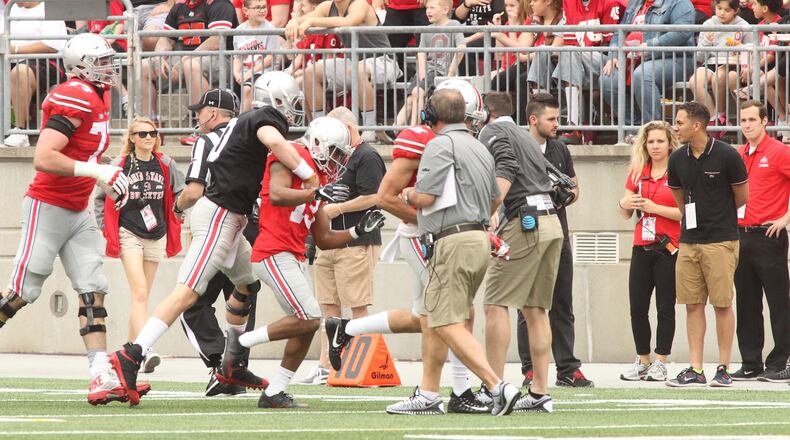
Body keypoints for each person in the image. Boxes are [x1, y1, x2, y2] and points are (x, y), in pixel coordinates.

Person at [107, 78, 330, 407]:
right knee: (188, 291)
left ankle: (232, 362)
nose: (296, 107)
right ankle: (131, 355)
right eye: (293, 100)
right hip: (220, 215)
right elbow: (275, 142)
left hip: (231, 218)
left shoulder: (243, 122)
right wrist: (308, 175)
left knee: (247, 285)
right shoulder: (263, 119)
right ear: (278, 99)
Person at [325, 80, 491, 415]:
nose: (471, 125)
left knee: (425, 316)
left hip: (444, 235)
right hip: (421, 236)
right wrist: (429, 222)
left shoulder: (458, 142)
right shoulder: (420, 139)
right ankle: (454, 392)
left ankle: (345, 328)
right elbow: (385, 197)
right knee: (449, 315)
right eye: (467, 117)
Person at [0, 34, 135, 405]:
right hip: (48, 205)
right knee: (21, 293)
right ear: (79, 65)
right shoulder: (74, 94)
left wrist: (103, 176)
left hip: (77, 209)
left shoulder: (100, 95)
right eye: (101, 62)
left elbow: (84, 154)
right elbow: (44, 156)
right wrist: (98, 172)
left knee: (93, 287)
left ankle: (98, 373)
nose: (109, 68)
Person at [234, 117, 385, 408]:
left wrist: (357, 230)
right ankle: (240, 344)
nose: (339, 160)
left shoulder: (321, 177)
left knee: (306, 325)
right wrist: (315, 192)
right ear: (318, 143)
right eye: (337, 152)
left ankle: (274, 391)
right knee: (311, 317)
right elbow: (277, 195)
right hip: (272, 251)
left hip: (293, 254)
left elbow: (324, 237)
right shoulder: (293, 156)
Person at [390, 88, 521, 416]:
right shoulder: (479, 146)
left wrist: (408, 194)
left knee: (446, 321)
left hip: (453, 240)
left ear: (429, 116)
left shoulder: (439, 144)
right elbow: (495, 198)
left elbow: (427, 196)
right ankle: (429, 393)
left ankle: (497, 386)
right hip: (478, 238)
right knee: (440, 317)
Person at [480, 92, 564, 413]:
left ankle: (494, 385)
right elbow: (559, 183)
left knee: (495, 303)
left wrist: (488, 210)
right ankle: (540, 391)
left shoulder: (493, 132)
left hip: (524, 221)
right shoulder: (524, 135)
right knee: (535, 310)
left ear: (486, 112)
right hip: (550, 221)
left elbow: (507, 166)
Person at [171, 88, 255, 396]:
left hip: (219, 226)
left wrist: (177, 208)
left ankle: (223, 367)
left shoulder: (207, 141)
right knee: (244, 297)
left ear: (212, 113)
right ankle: (235, 367)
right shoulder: (251, 139)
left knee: (189, 300)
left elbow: (194, 190)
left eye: (200, 110)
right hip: (251, 226)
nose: (197, 116)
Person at [298, 107, 385, 385]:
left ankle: (360, 364)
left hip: (356, 240)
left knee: (357, 306)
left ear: (346, 129)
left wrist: (337, 209)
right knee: (328, 307)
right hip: (328, 241)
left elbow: (374, 197)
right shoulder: (333, 158)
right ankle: (326, 365)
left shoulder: (366, 155)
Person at [666, 101, 748, 387]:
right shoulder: (676, 159)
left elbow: (742, 196)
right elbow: (679, 198)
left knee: (722, 304)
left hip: (722, 240)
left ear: (697, 125)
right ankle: (695, 369)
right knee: (692, 305)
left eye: (679, 122)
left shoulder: (728, 155)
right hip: (688, 242)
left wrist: (717, 215)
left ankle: (723, 368)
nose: (675, 128)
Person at [94, 117, 185, 375]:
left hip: (156, 233)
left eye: (152, 133)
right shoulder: (120, 165)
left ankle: (131, 355)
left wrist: (179, 211)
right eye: (142, 134)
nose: (148, 137)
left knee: (141, 298)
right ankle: (146, 350)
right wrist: (105, 227)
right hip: (129, 232)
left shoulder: (166, 163)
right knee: (141, 293)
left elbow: (179, 192)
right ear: (132, 138)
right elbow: (100, 197)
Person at [515, 93, 589, 389]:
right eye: (551, 119)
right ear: (533, 120)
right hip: (527, 233)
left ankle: (568, 368)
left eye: (557, 118)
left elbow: (575, 188)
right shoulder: (517, 147)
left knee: (562, 303)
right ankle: (531, 367)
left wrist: (565, 195)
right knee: (529, 305)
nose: (557, 124)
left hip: (558, 233)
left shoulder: (559, 148)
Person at [617, 121, 681, 382]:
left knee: (666, 307)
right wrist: (624, 202)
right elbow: (624, 213)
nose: (655, 146)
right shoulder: (637, 172)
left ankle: (661, 360)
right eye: (651, 141)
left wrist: (654, 208)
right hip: (642, 246)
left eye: (660, 141)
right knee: (637, 307)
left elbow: (683, 213)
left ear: (669, 144)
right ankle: (643, 360)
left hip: (670, 247)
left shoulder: (678, 172)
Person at [285, 0, 402, 142]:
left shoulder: (360, 4)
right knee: (311, 72)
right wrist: (293, 22)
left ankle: (370, 129)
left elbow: (349, 21)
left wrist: (311, 22)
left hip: (384, 61)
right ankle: (319, 129)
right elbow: (302, 19)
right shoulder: (328, 6)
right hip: (354, 62)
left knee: (358, 69)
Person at [731, 101, 790, 382]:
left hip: (769, 235)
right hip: (741, 236)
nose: (747, 125)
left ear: (765, 121)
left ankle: (782, 362)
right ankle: (751, 362)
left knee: (779, 301)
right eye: (743, 120)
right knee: (746, 302)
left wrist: (784, 219)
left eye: (752, 119)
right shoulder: (739, 154)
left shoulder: (779, 152)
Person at [141, 0, 238, 130]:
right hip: (187, 58)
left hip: (221, 59)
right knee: (145, 65)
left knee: (191, 65)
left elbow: (216, 41)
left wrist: (184, 61)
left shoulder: (220, 4)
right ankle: (149, 126)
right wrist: (159, 57)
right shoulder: (179, 7)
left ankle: (202, 126)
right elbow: (166, 39)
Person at [600, 0, 696, 126]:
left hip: (674, 58)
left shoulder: (680, 2)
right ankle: (633, 128)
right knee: (608, 78)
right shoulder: (635, 3)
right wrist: (614, 54)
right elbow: (619, 31)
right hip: (632, 57)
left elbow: (682, 32)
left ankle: (653, 129)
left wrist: (650, 46)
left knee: (643, 74)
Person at [550, 0, 625, 143]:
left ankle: (574, 127)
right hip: (576, 58)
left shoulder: (610, 2)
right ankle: (541, 125)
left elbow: (611, 42)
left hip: (604, 59)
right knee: (542, 55)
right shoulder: (570, 3)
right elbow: (569, 41)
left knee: (569, 51)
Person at [4, 1, 67, 148]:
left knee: (20, 72)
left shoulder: (51, 7)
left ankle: (20, 131)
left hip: (48, 61)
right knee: (18, 69)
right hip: (11, 60)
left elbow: (51, 45)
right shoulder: (10, 8)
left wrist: (17, 49)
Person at [395, 0, 465, 126]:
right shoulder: (426, 29)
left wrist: (450, 71)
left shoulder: (454, 24)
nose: (428, 11)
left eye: (432, 8)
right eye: (427, 8)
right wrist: (422, 76)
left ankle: (417, 128)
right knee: (411, 98)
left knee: (418, 92)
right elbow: (421, 53)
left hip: (439, 71)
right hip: (426, 71)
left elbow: (461, 48)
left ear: (445, 10)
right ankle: (394, 128)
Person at [688, 0, 751, 132]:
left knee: (719, 76)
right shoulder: (708, 24)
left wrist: (740, 48)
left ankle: (721, 115)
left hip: (733, 63)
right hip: (710, 62)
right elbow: (699, 57)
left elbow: (751, 49)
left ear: (735, 11)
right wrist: (706, 43)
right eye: (719, 8)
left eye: (727, 10)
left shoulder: (743, 25)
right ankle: (714, 118)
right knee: (695, 81)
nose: (722, 13)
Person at [233, 0, 286, 112]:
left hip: (263, 71)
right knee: (230, 92)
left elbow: (270, 58)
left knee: (247, 89)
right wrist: (236, 73)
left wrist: (249, 72)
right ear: (245, 11)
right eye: (257, 8)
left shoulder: (270, 29)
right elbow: (237, 57)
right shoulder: (239, 30)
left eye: (264, 7)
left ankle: (242, 124)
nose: (262, 11)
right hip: (244, 73)